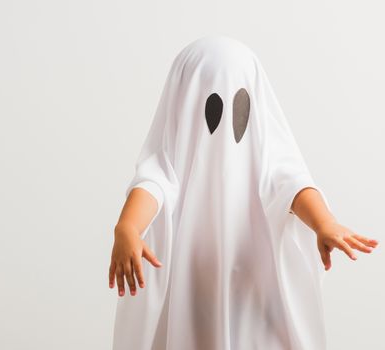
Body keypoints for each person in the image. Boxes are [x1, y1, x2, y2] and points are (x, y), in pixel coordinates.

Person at [108, 35, 379, 350]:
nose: (226, 125)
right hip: (191, 289)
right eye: (212, 105)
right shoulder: (170, 163)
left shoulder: (265, 158)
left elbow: (291, 182)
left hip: (253, 288)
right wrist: (127, 227)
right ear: (186, 103)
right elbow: (151, 186)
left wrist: (324, 223)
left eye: (240, 104)